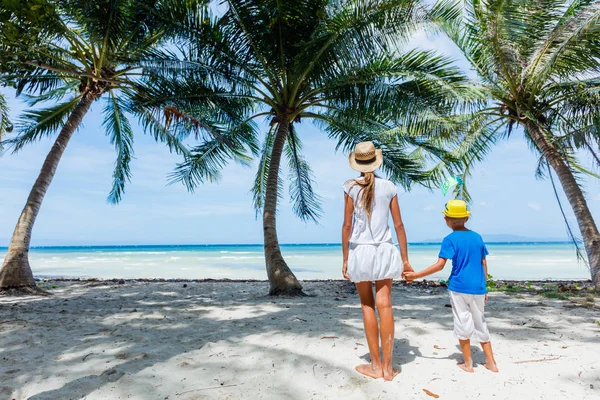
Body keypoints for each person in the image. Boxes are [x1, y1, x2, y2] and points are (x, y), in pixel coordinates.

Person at [341, 141, 413, 381]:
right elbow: (399, 225)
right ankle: (388, 368)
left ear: (357, 164)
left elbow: (347, 225)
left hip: (360, 251)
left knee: (367, 305)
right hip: (384, 250)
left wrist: (345, 259)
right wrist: (405, 260)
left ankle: (374, 365)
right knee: (386, 305)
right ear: (376, 160)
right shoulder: (389, 186)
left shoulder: (350, 187)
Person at [404, 200, 499, 373]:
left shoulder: (449, 239)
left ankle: (468, 363)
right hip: (478, 287)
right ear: (466, 219)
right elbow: (483, 262)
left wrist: (416, 275)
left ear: (446, 219)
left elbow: (440, 265)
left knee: (462, 321)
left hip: (459, 287)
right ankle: (491, 363)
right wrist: (485, 286)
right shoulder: (477, 237)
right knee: (480, 322)